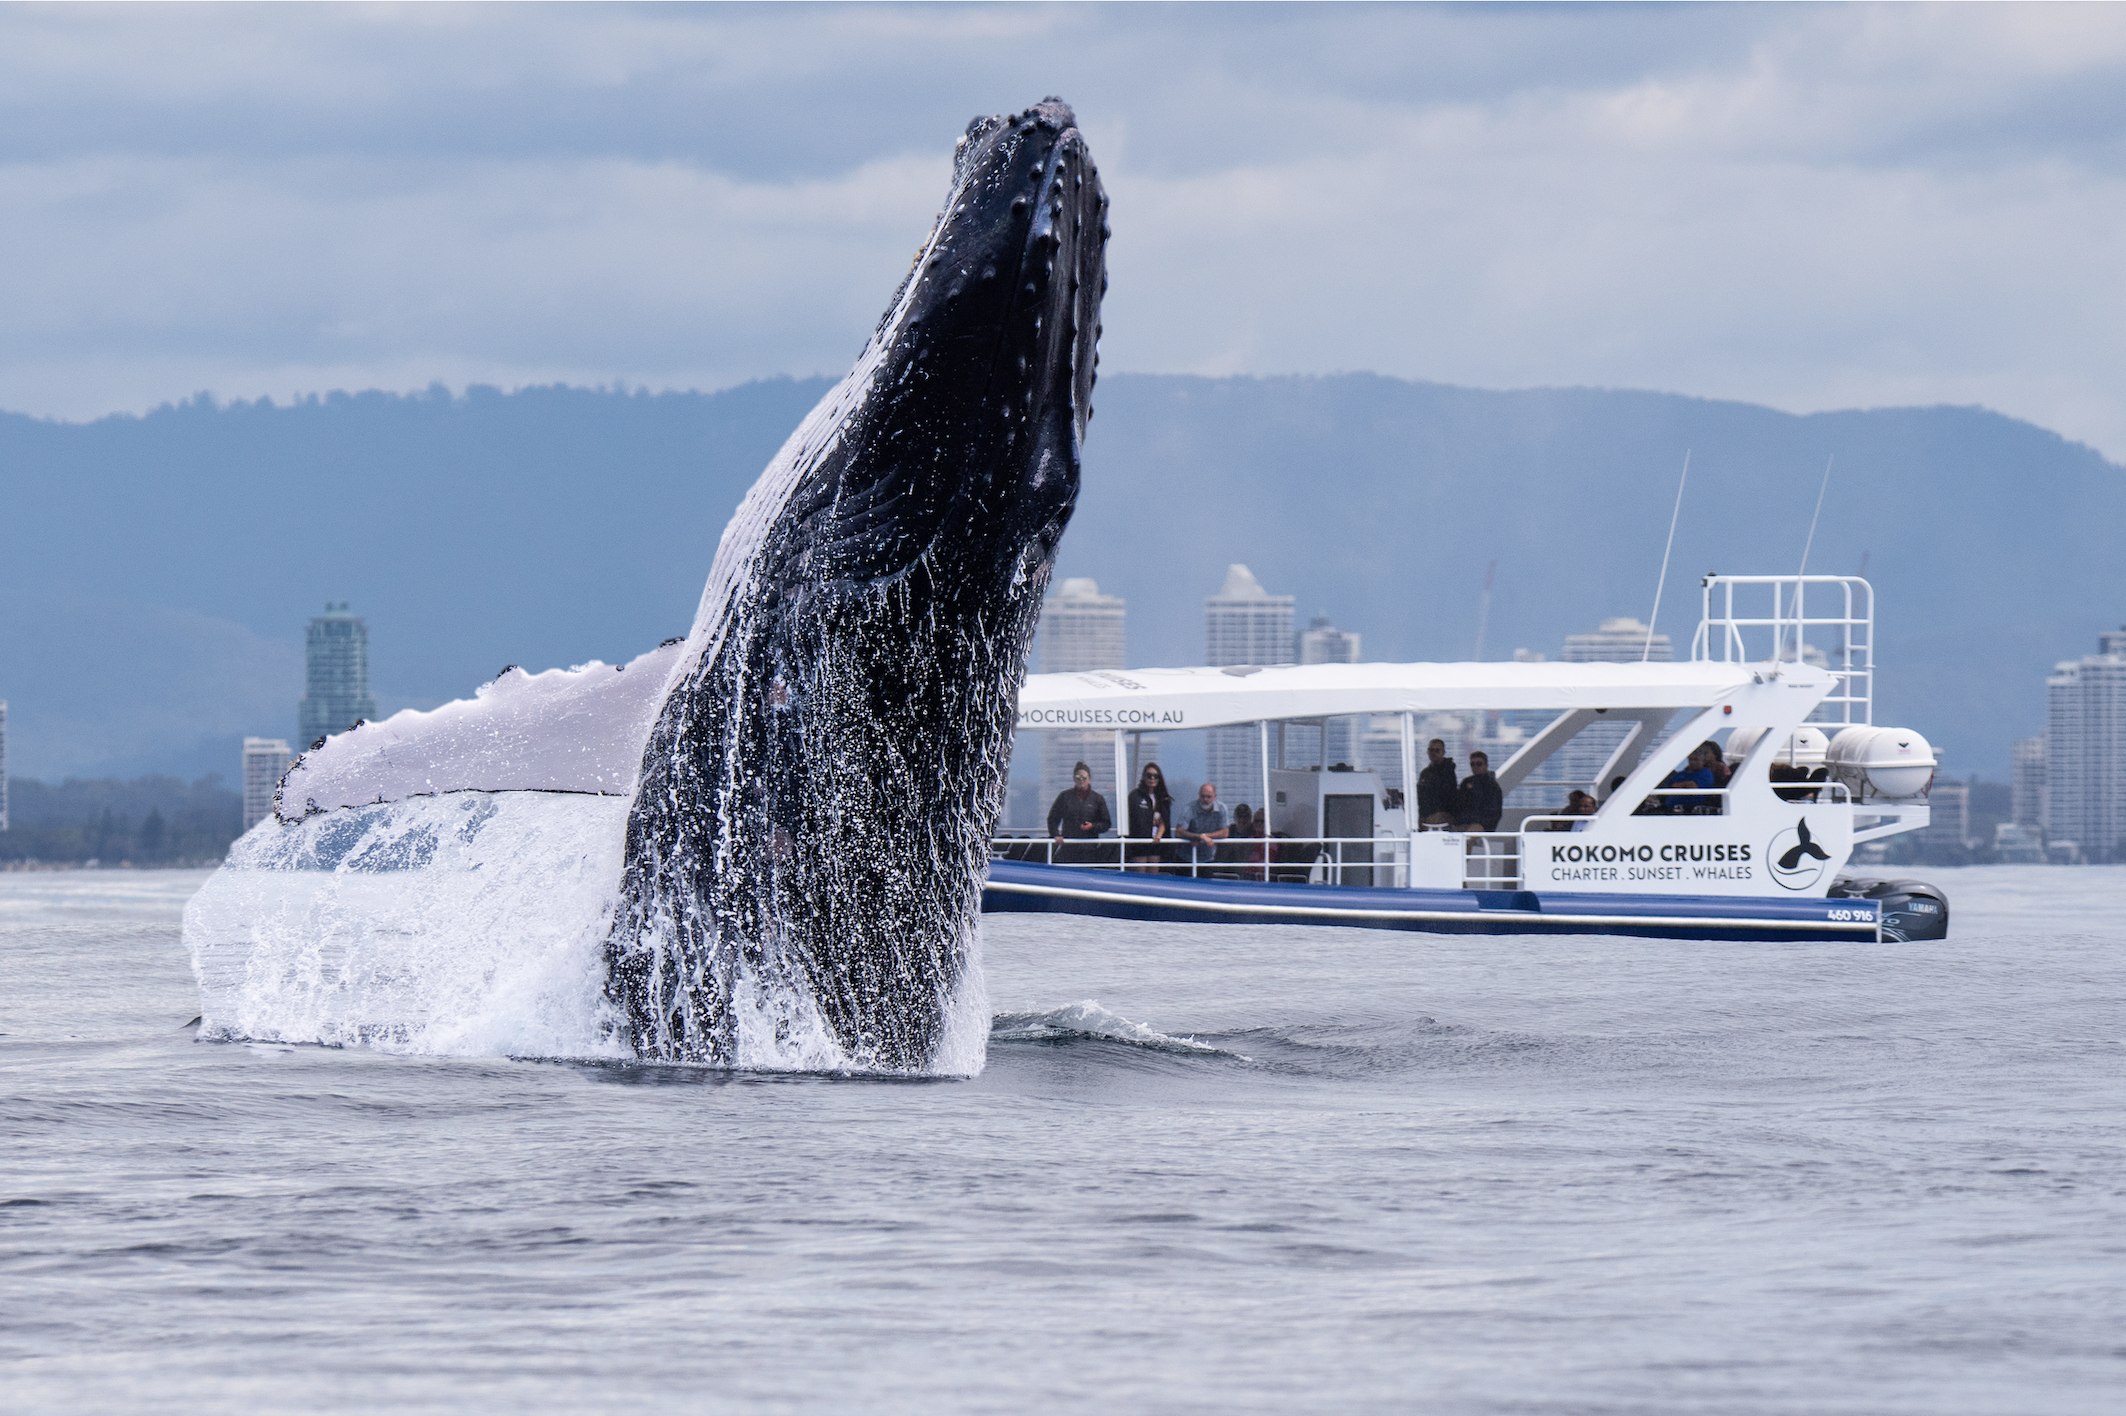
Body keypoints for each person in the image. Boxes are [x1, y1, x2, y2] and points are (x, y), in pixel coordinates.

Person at [1047, 761, 1112, 864]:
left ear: (1089, 779)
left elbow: (1106, 823)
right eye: (1078, 777)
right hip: (1068, 847)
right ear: (1074, 779)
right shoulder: (1065, 797)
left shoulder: (1097, 799)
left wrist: (1092, 826)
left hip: (1089, 849)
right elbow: (1052, 819)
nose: (1081, 780)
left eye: (1084, 777)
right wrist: (1055, 835)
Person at [1173, 781, 1230, 873]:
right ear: (1199, 795)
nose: (1205, 799)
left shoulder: (1221, 808)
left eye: (1209, 797)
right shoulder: (1190, 808)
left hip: (1208, 858)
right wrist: (1199, 837)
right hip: (1186, 857)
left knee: (1207, 886)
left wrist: (1205, 836)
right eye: (1202, 796)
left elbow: (1225, 832)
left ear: (1215, 796)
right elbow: (1179, 832)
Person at [1125, 762, 1171, 872]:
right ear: (1144, 777)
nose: (1152, 778)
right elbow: (1135, 819)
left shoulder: (1163, 797)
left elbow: (1165, 820)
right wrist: (1153, 821)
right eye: (1149, 776)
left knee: (1153, 876)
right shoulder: (1135, 796)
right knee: (1140, 876)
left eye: (1155, 776)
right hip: (1139, 843)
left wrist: (1159, 835)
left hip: (1156, 844)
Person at [1453, 750, 1504, 831]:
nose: (1475, 767)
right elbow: (1459, 804)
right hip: (1465, 823)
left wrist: (1481, 823)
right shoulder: (1466, 782)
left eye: (1479, 764)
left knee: (1473, 831)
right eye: (1472, 764)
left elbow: (1494, 812)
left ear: (1486, 765)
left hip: (1482, 825)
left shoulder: (1493, 787)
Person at [1416, 738, 1459, 827]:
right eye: (1431, 750)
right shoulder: (1425, 773)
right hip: (1425, 812)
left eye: (1437, 750)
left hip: (1443, 813)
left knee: (1427, 822)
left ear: (1443, 752)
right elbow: (1419, 793)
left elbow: (1446, 795)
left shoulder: (1448, 771)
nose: (1433, 753)